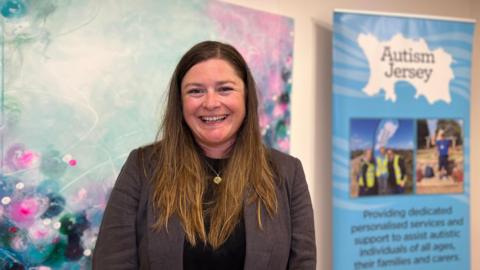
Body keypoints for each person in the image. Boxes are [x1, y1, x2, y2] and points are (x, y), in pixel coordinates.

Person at [92, 41, 316, 269]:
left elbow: (303, 264)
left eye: (225, 89)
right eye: (196, 91)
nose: (211, 103)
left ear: (246, 96)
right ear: (180, 101)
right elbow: (112, 262)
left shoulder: (287, 172)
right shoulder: (142, 166)